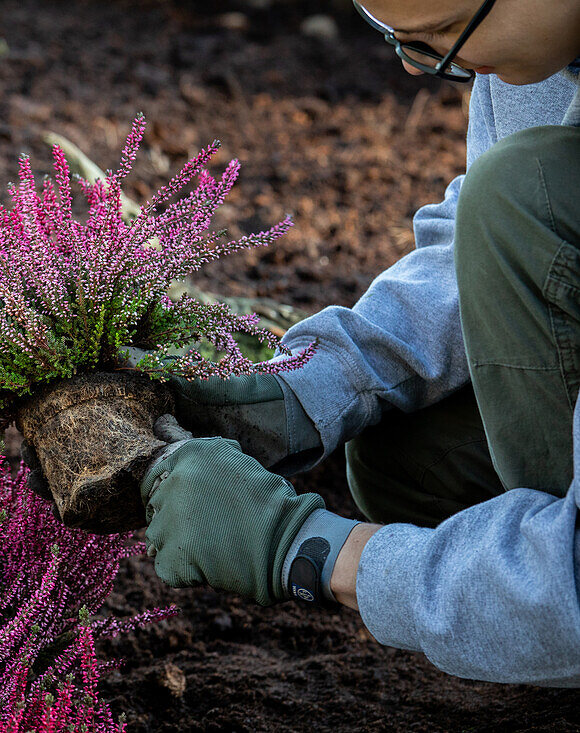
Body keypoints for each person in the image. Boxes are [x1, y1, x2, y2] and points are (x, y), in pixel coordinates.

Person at [135, 0, 580, 686]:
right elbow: (488, 239)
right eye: (394, 35)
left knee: (527, 189)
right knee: (406, 459)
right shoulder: (542, 40)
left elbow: (526, 205)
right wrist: (314, 384)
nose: (412, 66)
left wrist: (312, 553)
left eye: (437, 37)